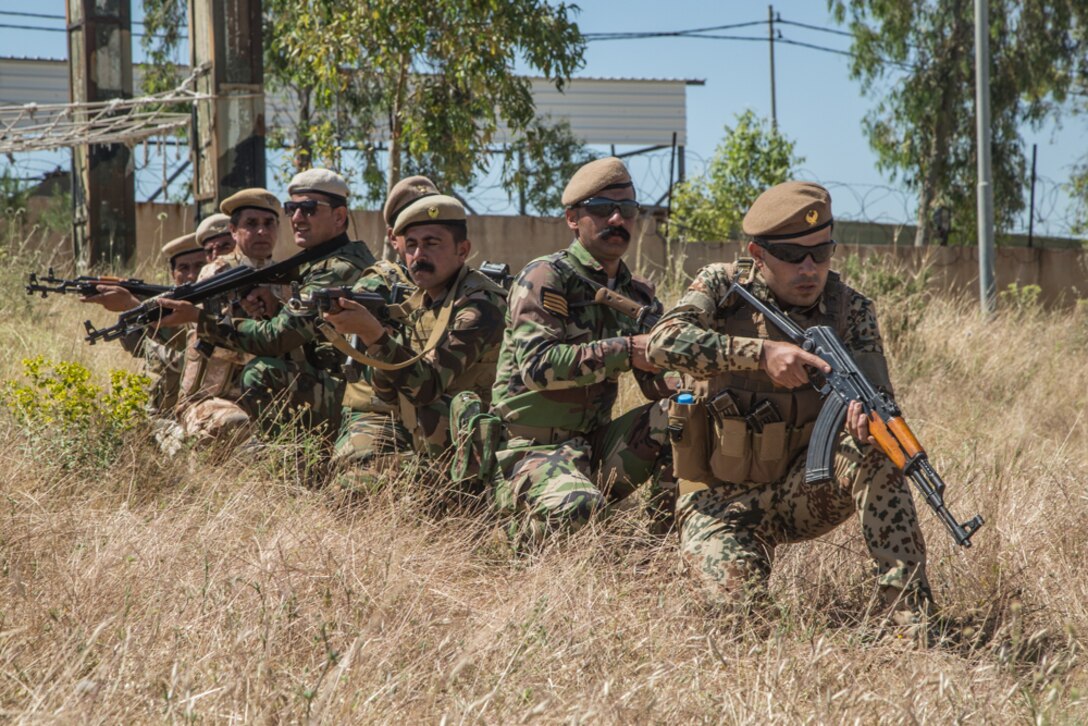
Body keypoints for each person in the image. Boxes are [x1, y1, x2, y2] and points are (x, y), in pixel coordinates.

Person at [646, 180, 931, 618]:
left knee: (880, 451)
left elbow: (880, 398)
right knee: (742, 618)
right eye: (794, 256)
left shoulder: (850, 310)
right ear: (758, 255)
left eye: (822, 252)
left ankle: (912, 622)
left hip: (801, 492)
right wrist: (760, 355)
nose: (810, 268)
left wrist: (865, 421)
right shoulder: (722, 285)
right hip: (719, 500)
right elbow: (661, 344)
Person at [488, 156, 672, 544]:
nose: (617, 221)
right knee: (580, 509)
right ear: (573, 219)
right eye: (603, 210)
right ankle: (505, 535)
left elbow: (657, 384)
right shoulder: (546, 277)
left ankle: (660, 542)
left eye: (627, 210)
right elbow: (538, 367)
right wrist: (627, 348)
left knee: (684, 417)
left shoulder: (637, 293)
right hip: (531, 450)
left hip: (594, 445)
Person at [158, 169, 377, 447]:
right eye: (292, 209)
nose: (297, 218)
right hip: (217, 395)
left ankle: (289, 459)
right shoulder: (221, 274)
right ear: (233, 231)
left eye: (308, 209)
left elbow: (277, 337)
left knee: (263, 374)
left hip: (348, 394)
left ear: (339, 216)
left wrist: (202, 319)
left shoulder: (334, 269)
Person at [323, 194, 507, 465]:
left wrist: (373, 335)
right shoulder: (425, 298)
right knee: (357, 470)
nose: (419, 255)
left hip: (476, 445)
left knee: (368, 480)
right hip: (426, 432)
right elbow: (388, 391)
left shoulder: (479, 305)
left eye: (432, 244)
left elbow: (427, 388)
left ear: (463, 250)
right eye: (412, 245)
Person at [330, 175, 440, 466]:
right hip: (381, 412)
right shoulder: (378, 282)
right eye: (410, 229)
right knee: (362, 480)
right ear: (394, 237)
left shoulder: (460, 284)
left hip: (441, 407)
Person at [168, 189, 284, 448]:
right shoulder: (217, 274)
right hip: (208, 399)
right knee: (235, 425)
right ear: (233, 231)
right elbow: (214, 344)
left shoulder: (284, 278)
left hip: (261, 397)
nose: (262, 232)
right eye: (251, 224)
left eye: (269, 224)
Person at [80, 232, 206, 415]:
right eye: (183, 268)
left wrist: (134, 306)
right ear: (173, 273)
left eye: (199, 266)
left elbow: (189, 339)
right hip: (162, 411)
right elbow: (136, 347)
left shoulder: (220, 306)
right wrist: (134, 310)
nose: (191, 275)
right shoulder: (159, 303)